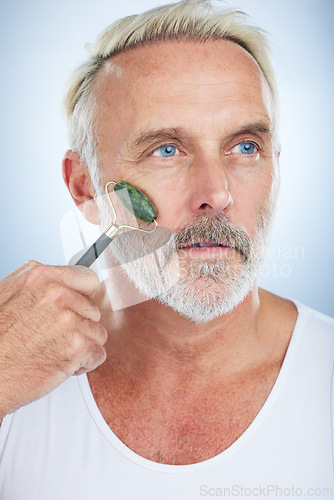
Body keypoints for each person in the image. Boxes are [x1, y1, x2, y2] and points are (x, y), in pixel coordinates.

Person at [0, 0, 333, 498]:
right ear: (85, 189)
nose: (216, 194)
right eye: (167, 150)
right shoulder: (12, 377)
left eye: (245, 147)